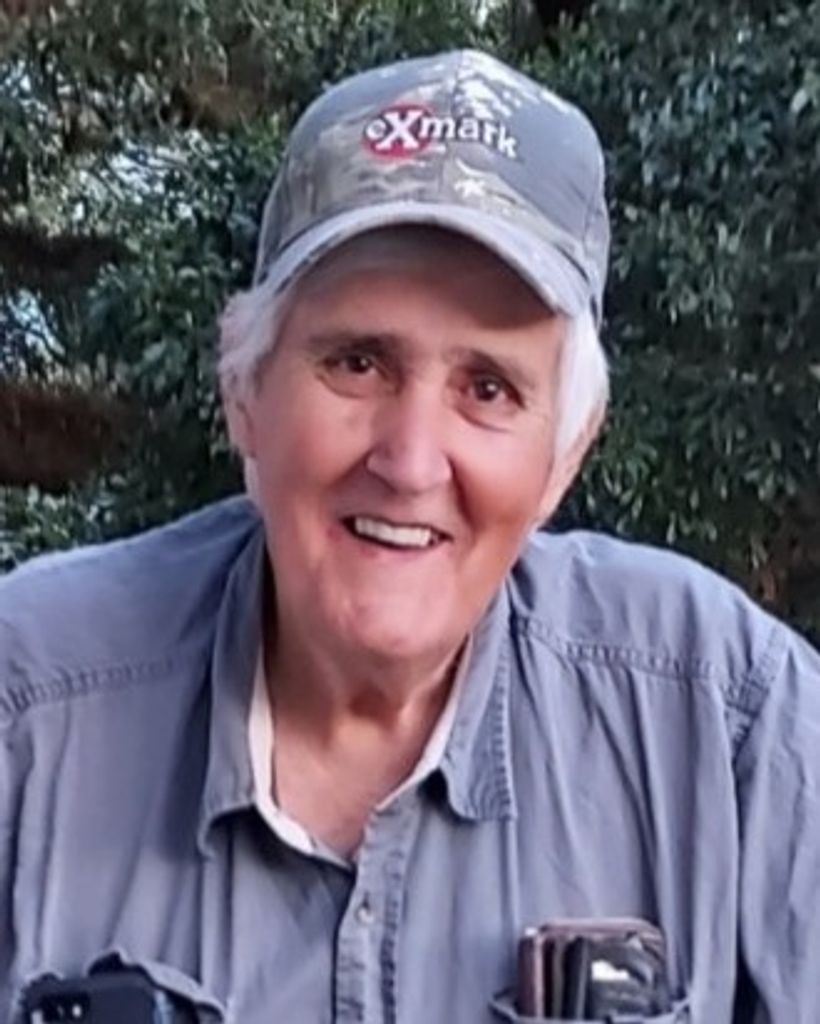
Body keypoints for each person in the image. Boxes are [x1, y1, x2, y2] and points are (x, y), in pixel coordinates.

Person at [1, 48, 818, 1024]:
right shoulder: (27, 706)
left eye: (488, 388)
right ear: (244, 393)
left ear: (565, 454)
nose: (411, 459)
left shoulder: (731, 722)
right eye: (357, 363)